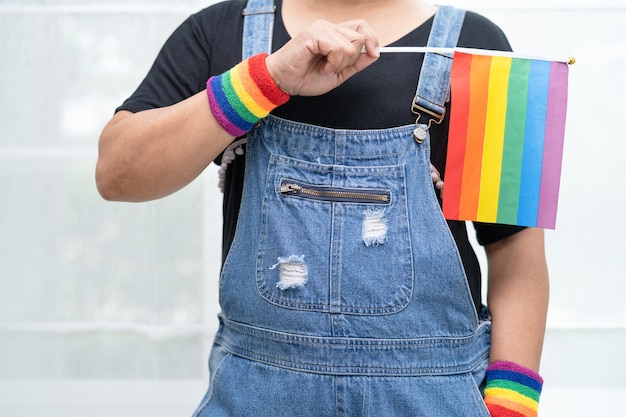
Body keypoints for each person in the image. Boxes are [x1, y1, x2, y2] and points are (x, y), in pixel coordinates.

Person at [96, 0, 550, 415]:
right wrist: (264, 80)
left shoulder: (482, 46)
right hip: (256, 394)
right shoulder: (217, 32)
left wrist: (512, 407)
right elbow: (117, 174)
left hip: (432, 396)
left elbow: (515, 249)